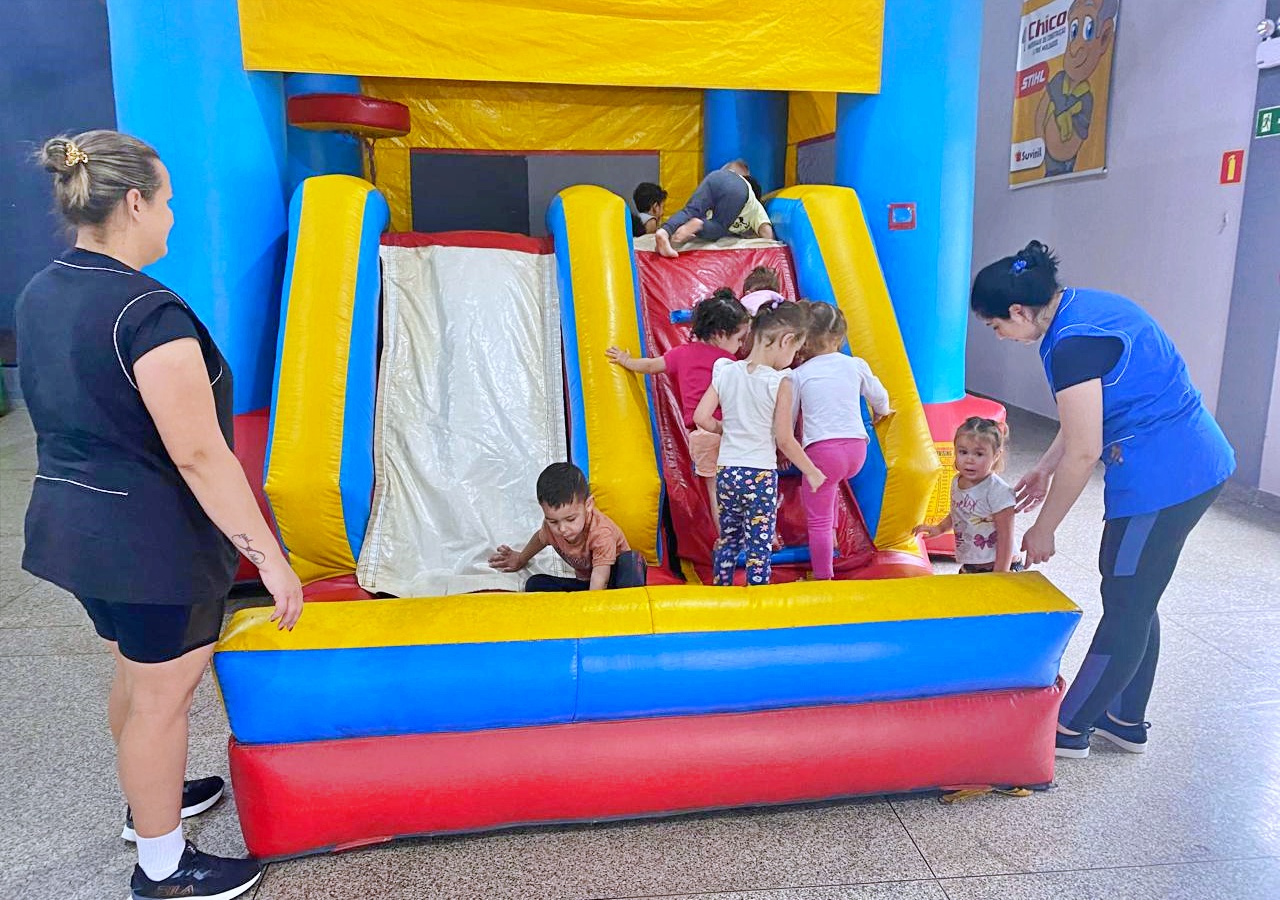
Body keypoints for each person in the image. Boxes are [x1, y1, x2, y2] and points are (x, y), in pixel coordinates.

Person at [15, 130, 303, 900]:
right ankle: (164, 867)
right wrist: (270, 559)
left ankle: (153, 803)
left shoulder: (42, 290)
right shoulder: (149, 315)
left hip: (73, 531)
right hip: (149, 547)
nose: (174, 215)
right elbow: (201, 456)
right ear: (135, 202)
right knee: (162, 698)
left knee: (137, 675)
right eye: (169, 200)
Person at [971, 240, 1235, 759]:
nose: (998, 335)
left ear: (1019, 310)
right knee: (1135, 592)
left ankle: (1069, 728)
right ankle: (1124, 720)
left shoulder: (1071, 344)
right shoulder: (1081, 307)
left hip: (1167, 475)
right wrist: (1044, 468)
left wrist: (1045, 528)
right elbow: (1085, 417)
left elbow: (1085, 450)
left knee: (1126, 599)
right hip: (1192, 459)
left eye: (996, 325)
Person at [693, 301, 825, 586]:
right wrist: (812, 471)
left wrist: (725, 429)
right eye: (795, 350)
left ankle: (722, 590)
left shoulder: (725, 370)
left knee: (729, 539)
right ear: (786, 340)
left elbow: (701, 417)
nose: (793, 357)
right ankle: (758, 597)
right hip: (759, 474)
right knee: (759, 546)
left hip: (727, 473)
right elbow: (784, 439)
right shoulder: (780, 381)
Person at [606, 289, 750, 529]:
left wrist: (626, 360)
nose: (740, 346)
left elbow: (650, 366)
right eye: (738, 339)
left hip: (702, 437)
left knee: (715, 491)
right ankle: (752, 530)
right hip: (727, 432)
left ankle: (726, 538)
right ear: (720, 334)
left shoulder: (681, 354)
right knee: (742, 484)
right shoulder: (729, 363)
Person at [791, 303, 893, 580]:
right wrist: (883, 412)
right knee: (832, 486)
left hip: (823, 453)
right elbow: (880, 397)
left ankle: (824, 578)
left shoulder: (798, 374)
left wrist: (785, 448)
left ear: (803, 339)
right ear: (840, 336)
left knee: (818, 521)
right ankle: (834, 539)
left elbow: (789, 418)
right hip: (857, 450)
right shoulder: (856, 365)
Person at [488, 462, 646, 591]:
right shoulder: (551, 528)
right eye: (553, 521)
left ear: (588, 505)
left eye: (570, 519)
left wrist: (590, 610)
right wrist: (520, 559)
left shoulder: (601, 533)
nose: (562, 529)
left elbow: (600, 578)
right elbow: (540, 539)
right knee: (535, 584)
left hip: (615, 582)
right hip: (588, 584)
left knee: (630, 563)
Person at [914, 417, 1022, 574]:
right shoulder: (957, 481)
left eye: (979, 454)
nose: (969, 460)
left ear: (996, 455)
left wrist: (1000, 576)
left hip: (1001, 566)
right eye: (963, 452)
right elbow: (959, 512)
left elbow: (1006, 537)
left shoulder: (998, 491)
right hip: (972, 564)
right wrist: (939, 528)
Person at [654, 160, 775, 258]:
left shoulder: (722, 190)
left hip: (715, 176)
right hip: (737, 188)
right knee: (719, 227)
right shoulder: (755, 206)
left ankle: (664, 232)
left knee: (690, 210)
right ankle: (698, 224)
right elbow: (767, 233)